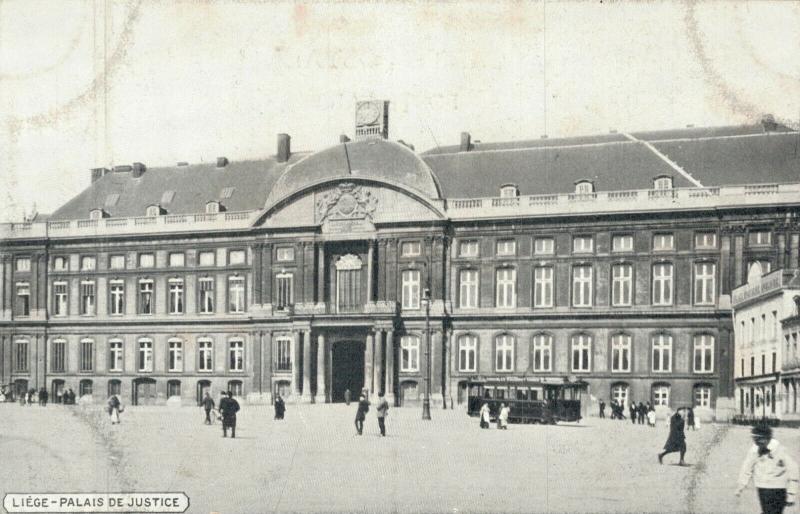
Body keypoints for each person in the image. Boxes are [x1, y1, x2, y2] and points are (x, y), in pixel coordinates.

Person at [736, 423, 799, 514]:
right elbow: (747, 468)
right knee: (767, 511)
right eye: (754, 440)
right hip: (762, 488)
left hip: (778, 489)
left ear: (767, 438)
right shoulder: (754, 450)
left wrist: (791, 494)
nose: (756, 443)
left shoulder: (781, 450)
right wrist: (741, 485)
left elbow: (794, 471)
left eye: (759, 440)